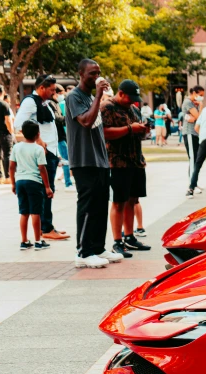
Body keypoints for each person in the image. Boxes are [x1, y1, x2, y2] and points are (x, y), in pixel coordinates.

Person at [66, 59, 124, 268]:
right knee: (88, 206)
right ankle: (83, 252)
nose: (96, 76)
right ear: (81, 74)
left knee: (100, 205)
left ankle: (98, 248)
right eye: (91, 73)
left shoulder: (92, 98)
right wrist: (99, 96)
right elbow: (86, 121)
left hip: (100, 160)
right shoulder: (74, 97)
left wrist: (100, 98)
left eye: (98, 72)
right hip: (84, 160)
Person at [101, 79, 153, 258]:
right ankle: (117, 240)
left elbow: (138, 132)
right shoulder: (107, 107)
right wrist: (131, 129)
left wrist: (144, 130)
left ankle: (130, 236)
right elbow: (105, 133)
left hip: (136, 161)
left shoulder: (134, 109)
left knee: (133, 199)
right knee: (119, 201)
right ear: (120, 93)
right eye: (129, 97)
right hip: (117, 162)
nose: (132, 101)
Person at [15, 74, 69, 241]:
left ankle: (47, 226)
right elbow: (19, 124)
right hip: (43, 153)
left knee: (49, 190)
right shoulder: (30, 101)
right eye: (51, 90)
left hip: (51, 152)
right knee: (47, 190)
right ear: (41, 88)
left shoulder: (44, 101)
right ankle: (46, 228)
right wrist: (38, 139)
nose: (54, 93)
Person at [10, 121, 52, 251]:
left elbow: (12, 166)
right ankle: (38, 241)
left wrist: (13, 183)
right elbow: (42, 169)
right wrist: (47, 187)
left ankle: (24, 240)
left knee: (24, 212)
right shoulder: (38, 149)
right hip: (34, 182)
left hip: (20, 181)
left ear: (22, 132)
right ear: (38, 134)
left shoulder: (16, 147)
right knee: (36, 212)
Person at [181, 86, 204, 194]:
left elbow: (196, 117)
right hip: (189, 133)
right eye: (200, 95)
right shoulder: (188, 102)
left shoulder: (192, 103)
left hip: (195, 133)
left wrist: (195, 116)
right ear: (194, 93)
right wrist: (201, 106)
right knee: (193, 158)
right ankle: (191, 185)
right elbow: (199, 116)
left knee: (196, 159)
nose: (201, 98)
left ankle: (194, 183)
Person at [51, 84, 74, 191]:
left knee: (60, 159)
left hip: (61, 135)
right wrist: (67, 119)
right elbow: (57, 119)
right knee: (65, 159)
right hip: (59, 136)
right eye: (60, 93)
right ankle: (68, 183)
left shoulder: (56, 104)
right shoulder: (52, 104)